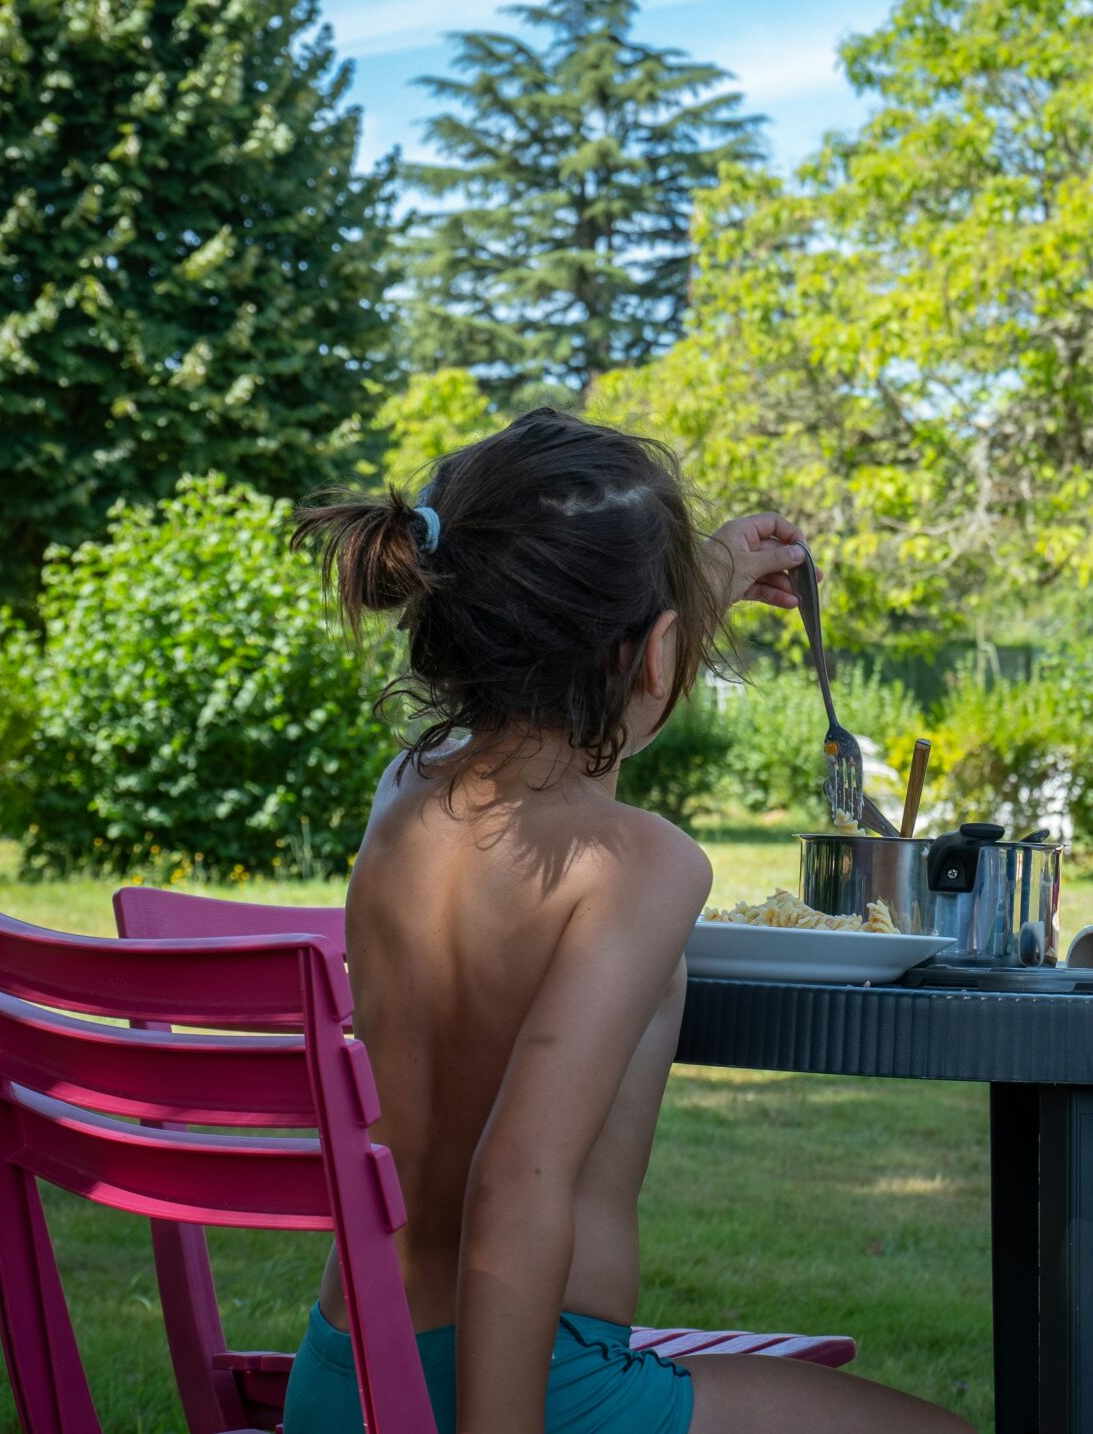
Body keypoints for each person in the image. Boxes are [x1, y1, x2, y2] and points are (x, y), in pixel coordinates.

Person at [284, 409, 970, 1434]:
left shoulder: (406, 793)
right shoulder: (641, 864)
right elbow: (514, 1186)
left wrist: (697, 580)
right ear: (654, 656)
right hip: (528, 1386)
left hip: (349, 1376)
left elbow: (570, 750)